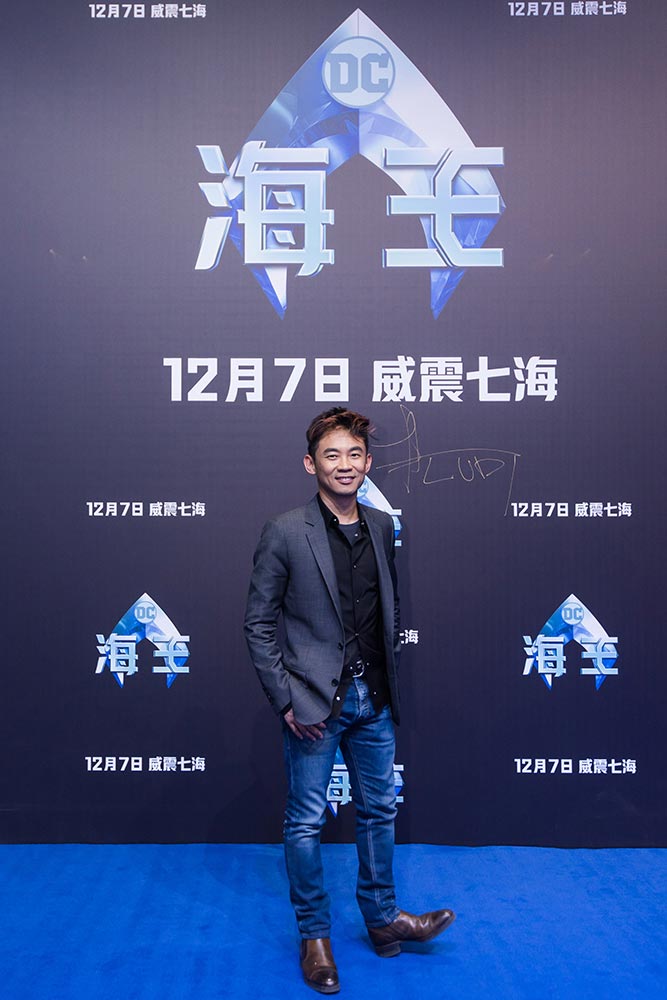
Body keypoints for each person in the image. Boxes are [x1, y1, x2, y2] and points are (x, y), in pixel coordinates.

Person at [244, 407, 455, 994]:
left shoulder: (383, 525)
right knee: (306, 822)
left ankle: (384, 920)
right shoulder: (285, 531)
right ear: (310, 463)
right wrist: (285, 698)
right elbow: (258, 623)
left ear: (368, 462)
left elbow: (385, 608)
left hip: (374, 699)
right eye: (331, 455)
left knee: (380, 811)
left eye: (354, 454)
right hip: (314, 705)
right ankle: (314, 937)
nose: (344, 464)